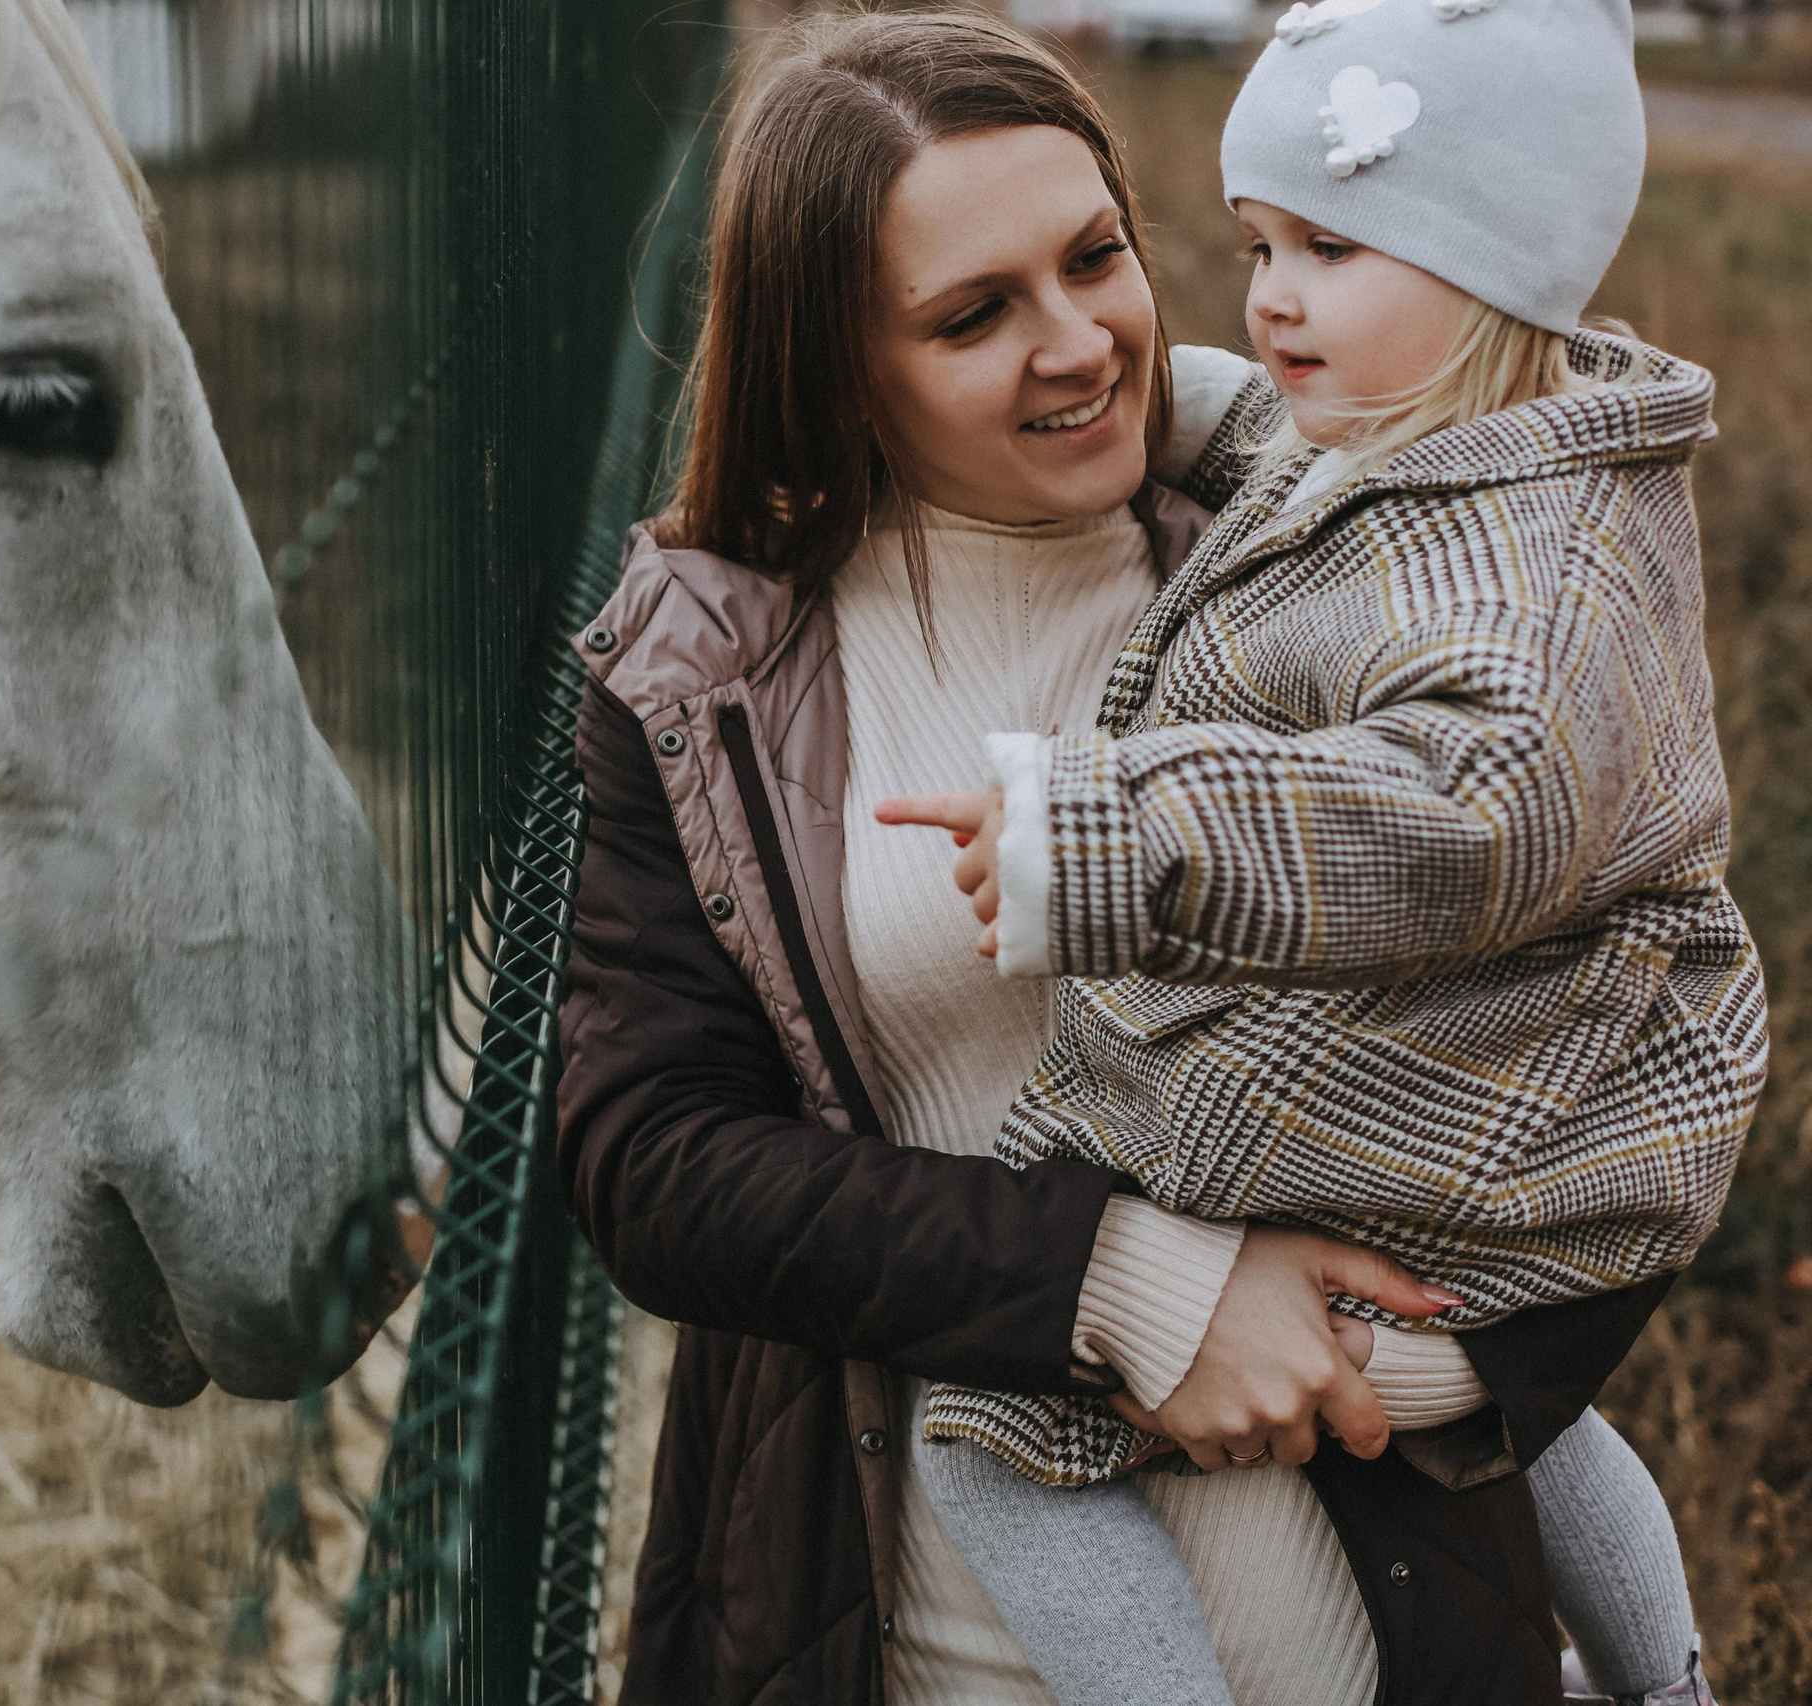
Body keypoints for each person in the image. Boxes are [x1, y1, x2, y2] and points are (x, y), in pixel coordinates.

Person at [556, 7, 1694, 1704]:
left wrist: (1442, 1359)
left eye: (1097, 256)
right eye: (974, 314)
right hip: (917, 1627)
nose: (1083, 341)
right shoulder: (701, 672)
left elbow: (1599, 1029)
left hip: (1390, 1607)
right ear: (836, 358)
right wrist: (1128, 1282)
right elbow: (656, 1164)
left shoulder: (1339, 558)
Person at [874, 5, 1760, 1706]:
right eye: (1258, 243)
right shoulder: (1429, 433)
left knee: (990, 1439)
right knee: (1521, 1403)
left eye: (1330, 246)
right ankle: (1663, 1682)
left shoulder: (1525, 589)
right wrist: (1126, 385)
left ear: (1493, 268)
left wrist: (1109, 835)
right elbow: (1252, 434)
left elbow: (1446, 815)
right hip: (1470, 1109)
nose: (1270, 295)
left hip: (1445, 1096)